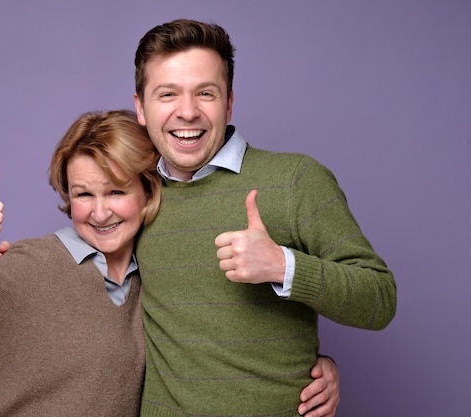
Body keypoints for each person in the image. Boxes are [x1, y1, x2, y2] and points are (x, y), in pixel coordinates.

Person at [129, 19, 396, 417]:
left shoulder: (296, 180)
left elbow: (380, 300)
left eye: (206, 93)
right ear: (141, 108)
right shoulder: (133, 197)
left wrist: (282, 266)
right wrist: (1, 266)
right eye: (167, 94)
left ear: (229, 102)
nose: (187, 112)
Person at [0, 110, 162, 416]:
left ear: (148, 190)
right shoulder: (27, 266)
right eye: (84, 194)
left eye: (116, 191)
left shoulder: (155, 277)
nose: (100, 212)